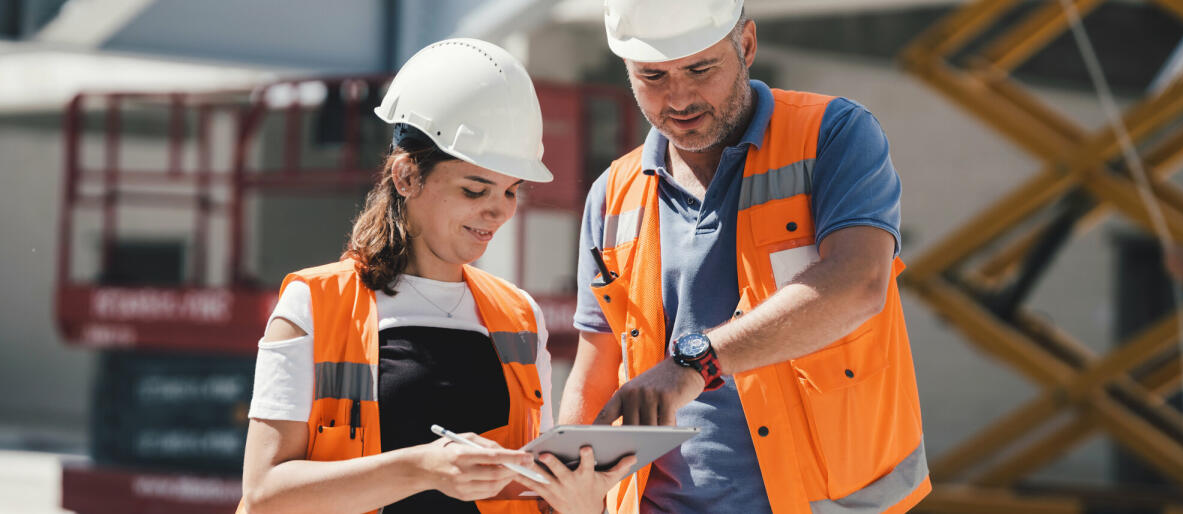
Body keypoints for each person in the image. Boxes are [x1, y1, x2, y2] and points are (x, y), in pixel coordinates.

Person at [559, 1, 930, 513]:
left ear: (747, 45)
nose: (679, 96)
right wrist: (568, 492)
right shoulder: (612, 195)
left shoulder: (832, 136)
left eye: (700, 68)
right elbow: (597, 367)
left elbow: (860, 284)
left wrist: (696, 362)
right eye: (653, 76)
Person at [239, 38, 633, 514]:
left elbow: (534, 495)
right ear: (406, 177)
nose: (498, 211)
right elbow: (263, 495)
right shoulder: (313, 304)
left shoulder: (520, 316)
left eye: (512, 192)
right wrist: (422, 469)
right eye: (475, 189)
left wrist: (581, 502)